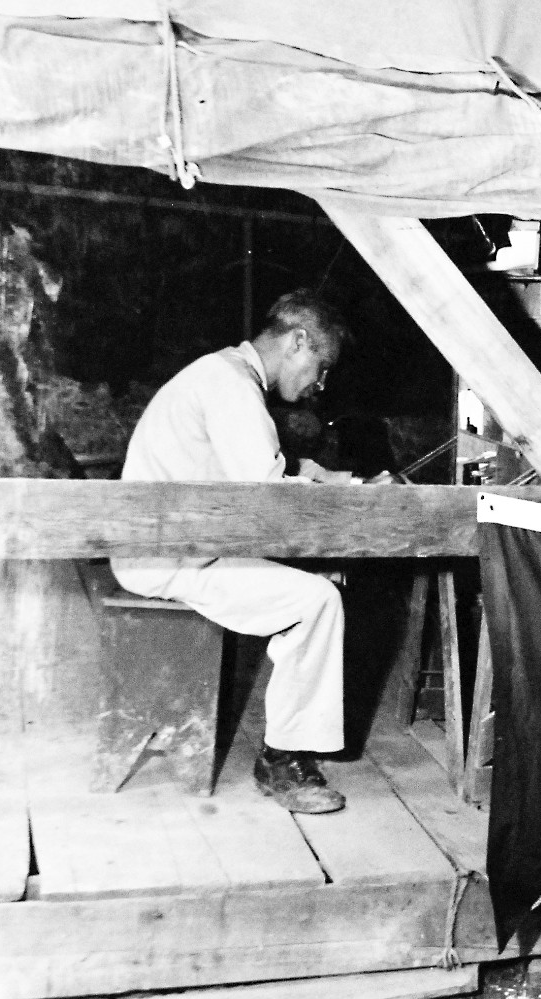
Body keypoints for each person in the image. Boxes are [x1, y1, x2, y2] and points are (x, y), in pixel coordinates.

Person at [112, 290, 353, 814]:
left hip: (177, 547)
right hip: (171, 560)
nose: (319, 383)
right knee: (318, 600)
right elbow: (264, 496)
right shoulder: (231, 385)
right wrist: (348, 495)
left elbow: (243, 470)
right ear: (298, 341)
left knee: (319, 584)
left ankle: (288, 740)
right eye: (321, 366)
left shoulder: (221, 374)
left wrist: (326, 477)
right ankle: (282, 761)